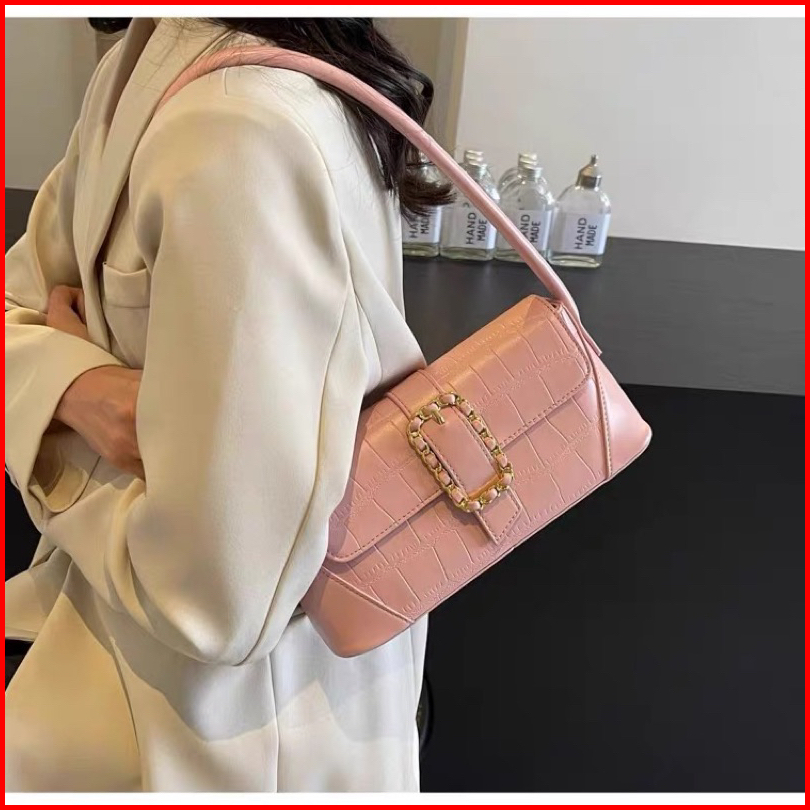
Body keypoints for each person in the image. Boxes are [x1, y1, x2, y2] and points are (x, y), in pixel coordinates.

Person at [5, 17, 450, 792]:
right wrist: (80, 388)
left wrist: (59, 435)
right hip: (129, 668)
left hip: (223, 738)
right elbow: (21, 300)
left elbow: (214, 598)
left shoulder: (239, 129)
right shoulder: (144, 68)